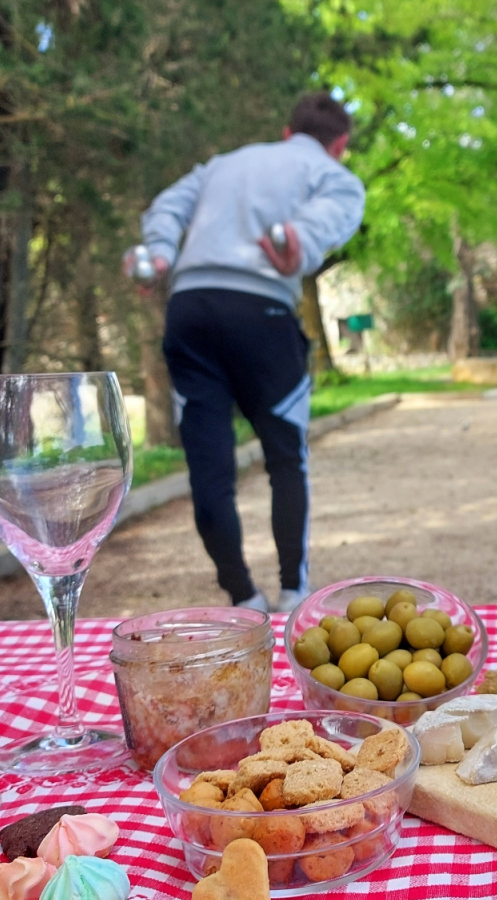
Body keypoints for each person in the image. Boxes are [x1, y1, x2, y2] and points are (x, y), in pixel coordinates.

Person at [138, 93, 365, 613]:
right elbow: (334, 211)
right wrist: (299, 240)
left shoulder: (223, 164)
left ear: (287, 132)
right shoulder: (334, 175)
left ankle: (243, 596)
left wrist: (159, 252)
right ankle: (292, 593)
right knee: (287, 459)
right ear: (340, 145)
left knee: (208, 467)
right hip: (261, 314)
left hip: (190, 308)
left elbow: (168, 205)